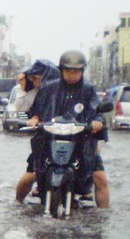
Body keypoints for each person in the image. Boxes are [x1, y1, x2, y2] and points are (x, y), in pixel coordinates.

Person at [27, 50, 107, 203]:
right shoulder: (48, 88)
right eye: (68, 71)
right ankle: (19, 203)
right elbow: (36, 110)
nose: (72, 75)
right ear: (61, 71)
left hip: (81, 139)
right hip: (50, 140)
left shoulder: (88, 90)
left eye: (76, 71)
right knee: (30, 174)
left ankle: (104, 217)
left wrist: (97, 121)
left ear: (82, 71)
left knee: (100, 178)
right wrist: (35, 119)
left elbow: (97, 110)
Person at [14, 59, 60, 202]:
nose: (34, 82)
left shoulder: (64, 90)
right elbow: (21, 107)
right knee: (31, 173)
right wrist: (22, 87)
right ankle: (18, 202)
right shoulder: (34, 91)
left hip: (68, 137)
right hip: (44, 137)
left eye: (37, 79)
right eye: (32, 79)